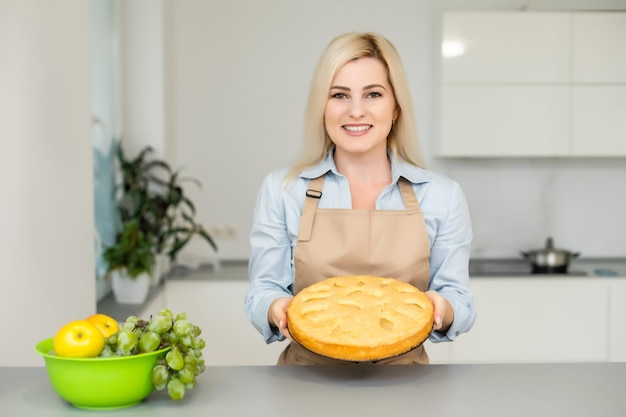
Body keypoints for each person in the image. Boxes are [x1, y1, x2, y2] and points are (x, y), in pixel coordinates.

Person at [245, 32, 476, 365]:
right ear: (322, 107)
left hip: (407, 388)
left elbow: (461, 300)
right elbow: (262, 289)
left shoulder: (442, 195)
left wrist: (444, 308)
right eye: (339, 95)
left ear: (395, 107)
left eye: (373, 94)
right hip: (306, 385)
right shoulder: (281, 190)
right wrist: (275, 307)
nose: (355, 111)